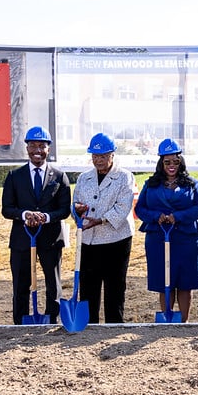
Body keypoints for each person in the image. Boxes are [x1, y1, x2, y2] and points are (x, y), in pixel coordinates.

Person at [1, 126, 71, 325]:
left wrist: (45, 217)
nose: (37, 150)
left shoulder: (59, 176)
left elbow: (64, 210)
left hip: (50, 239)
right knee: (21, 283)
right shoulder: (15, 176)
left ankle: (51, 318)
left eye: (42, 146)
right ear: (27, 148)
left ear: (48, 149)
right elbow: (7, 209)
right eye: (32, 145)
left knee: (53, 282)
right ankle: (20, 320)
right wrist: (25, 214)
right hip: (22, 239)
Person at [134, 138, 198, 322]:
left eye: (175, 161)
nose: (171, 166)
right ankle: (167, 317)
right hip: (158, 237)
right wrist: (156, 216)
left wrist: (178, 217)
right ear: (161, 163)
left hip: (186, 238)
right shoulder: (151, 184)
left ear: (181, 162)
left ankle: (184, 321)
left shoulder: (192, 184)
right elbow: (140, 208)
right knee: (165, 281)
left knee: (184, 282)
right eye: (167, 162)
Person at [72, 133, 135, 324]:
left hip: (116, 240)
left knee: (114, 287)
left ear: (112, 155)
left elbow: (123, 207)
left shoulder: (124, 177)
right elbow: (75, 202)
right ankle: (89, 324)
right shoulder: (84, 178)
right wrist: (77, 210)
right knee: (88, 286)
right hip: (89, 241)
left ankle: (114, 324)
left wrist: (100, 220)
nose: (99, 160)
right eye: (95, 156)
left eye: (103, 156)